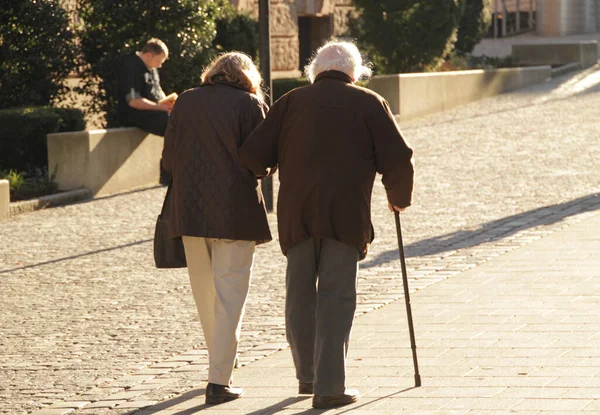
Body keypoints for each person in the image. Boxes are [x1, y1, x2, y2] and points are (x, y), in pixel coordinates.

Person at [239, 40, 414, 409]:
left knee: (299, 294)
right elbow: (398, 159)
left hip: (297, 214)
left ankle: (308, 376)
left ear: (315, 71)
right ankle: (329, 387)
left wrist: (269, 168)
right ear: (354, 72)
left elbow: (254, 155)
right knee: (336, 297)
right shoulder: (369, 103)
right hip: (344, 214)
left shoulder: (290, 102)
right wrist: (398, 196)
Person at [161, 52, 272, 405]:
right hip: (235, 213)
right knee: (230, 295)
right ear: (247, 76)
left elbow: (168, 159)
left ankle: (220, 364)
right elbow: (262, 159)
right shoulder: (250, 104)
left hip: (190, 212)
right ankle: (219, 380)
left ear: (213, 72)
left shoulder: (186, 101)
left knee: (206, 295)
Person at [118, 38, 176, 184]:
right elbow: (134, 101)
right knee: (170, 123)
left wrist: (169, 103)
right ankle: (167, 172)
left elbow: (158, 92)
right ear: (149, 55)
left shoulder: (152, 69)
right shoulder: (132, 67)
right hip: (134, 114)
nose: (160, 65)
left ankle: (173, 169)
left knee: (179, 119)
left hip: (153, 111)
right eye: (159, 61)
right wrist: (161, 107)